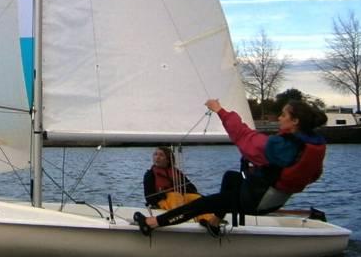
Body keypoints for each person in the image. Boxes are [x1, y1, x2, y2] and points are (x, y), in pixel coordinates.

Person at [134, 97, 328, 236]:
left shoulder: (282, 146)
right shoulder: (311, 145)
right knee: (230, 177)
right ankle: (214, 222)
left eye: (283, 115)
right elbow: (312, 175)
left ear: (295, 121)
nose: (279, 118)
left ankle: (152, 223)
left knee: (202, 204)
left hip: (256, 200)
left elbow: (243, 135)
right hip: (272, 198)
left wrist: (220, 110)